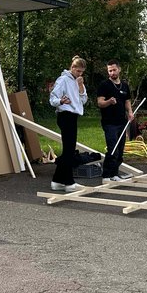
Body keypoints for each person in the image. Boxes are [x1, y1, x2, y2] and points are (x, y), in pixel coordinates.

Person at [48, 56, 88, 192]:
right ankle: (69, 182)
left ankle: (57, 180)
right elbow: (52, 98)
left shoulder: (78, 81)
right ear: (72, 68)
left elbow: (83, 100)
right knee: (69, 150)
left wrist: (81, 85)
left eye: (82, 72)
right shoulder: (63, 79)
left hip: (73, 116)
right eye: (78, 71)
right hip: (65, 115)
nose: (80, 74)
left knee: (68, 149)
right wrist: (60, 101)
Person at [97, 60, 134, 183]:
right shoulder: (104, 85)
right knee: (113, 149)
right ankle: (106, 176)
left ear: (119, 69)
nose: (112, 72)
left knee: (120, 148)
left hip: (121, 122)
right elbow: (100, 103)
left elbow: (127, 100)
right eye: (110, 71)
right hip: (109, 122)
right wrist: (109, 102)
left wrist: (130, 112)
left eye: (114, 70)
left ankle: (115, 173)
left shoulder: (124, 85)